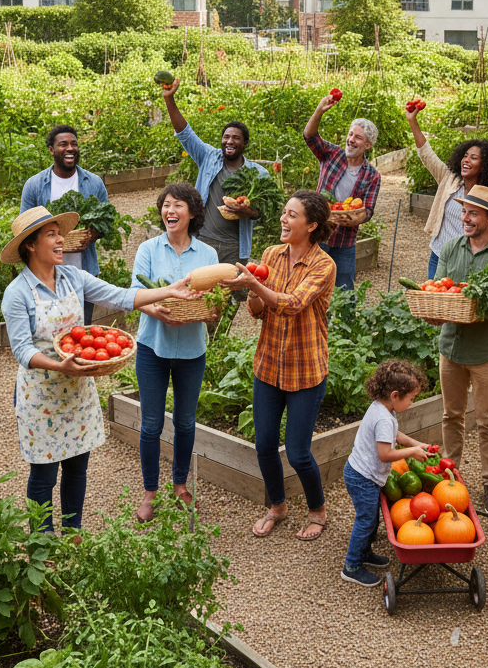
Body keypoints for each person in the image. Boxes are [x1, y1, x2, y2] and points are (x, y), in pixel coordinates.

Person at [0, 206, 198, 533]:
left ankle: (73, 532)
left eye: (59, 233)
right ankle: (43, 542)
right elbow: (22, 350)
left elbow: (119, 297)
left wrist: (170, 291)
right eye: (52, 235)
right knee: (44, 476)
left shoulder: (73, 277)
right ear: (31, 246)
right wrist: (59, 364)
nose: (61, 240)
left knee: (77, 468)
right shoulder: (17, 293)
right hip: (42, 397)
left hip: (77, 391)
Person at [231, 190, 337, 540]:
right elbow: (257, 312)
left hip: (305, 369)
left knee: (298, 452)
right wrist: (252, 291)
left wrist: (255, 284)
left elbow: (293, 304)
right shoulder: (271, 255)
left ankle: (317, 509)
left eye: (292, 215)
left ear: (312, 225)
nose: (283, 219)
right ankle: (277, 506)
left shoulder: (324, 265)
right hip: (269, 364)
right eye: (284, 213)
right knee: (263, 444)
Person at [130, 183, 218, 522]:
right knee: (151, 425)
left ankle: (180, 483)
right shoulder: (148, 249)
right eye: (166, 205)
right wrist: (159, 310)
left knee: (185, 421)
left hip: (192, 350)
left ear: (192, 213)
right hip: (153, 346)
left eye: (178, 205)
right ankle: (149, 491)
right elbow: (138, 296)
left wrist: (209, 311)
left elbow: (214, 303)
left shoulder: (207, 255)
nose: (170, 211)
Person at [433, 185, 488, 515]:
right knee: (451, 415)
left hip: (486, 352)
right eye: (464, 210)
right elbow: (439, 291)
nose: (464, 217)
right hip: (451, 347)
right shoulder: (452, 247)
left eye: (472, 212)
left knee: (487, 420)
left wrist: (464, 307)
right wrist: (436, 312)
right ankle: (450, 474)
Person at [159, 78, 269, 268]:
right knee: (199, 291)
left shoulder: (257, 173)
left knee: (229, 294)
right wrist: (169, 99)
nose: (229, 141)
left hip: (234, 246)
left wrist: (248, 211)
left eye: (236, 138)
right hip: (202, 240)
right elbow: (185, 133)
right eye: (226, 137)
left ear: (245, 143)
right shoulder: (208, 157)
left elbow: (264, 212)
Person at [341, 360, 429, 587]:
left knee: (372, 518)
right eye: (411, 398)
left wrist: (416, 443)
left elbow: (395, 435)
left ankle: (365, 552)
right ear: (396, 395)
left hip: (363, 474)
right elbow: (385, 454)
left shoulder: (382, 408)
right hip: (363, 477)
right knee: (366, 520)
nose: (412, 403)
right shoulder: (382, 418)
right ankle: (351, 566)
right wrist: (412, 452)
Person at [405, 102, 488, 279]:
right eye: (465, 156)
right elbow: (426, 154)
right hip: (439, 255)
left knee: (460, 305)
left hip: (468, 261)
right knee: (435, 303)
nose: (466, 160)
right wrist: (412, 121)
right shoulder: (449, 180)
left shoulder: (487, 195)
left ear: (485, 166)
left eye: (474, 158)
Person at [20, 124, 110, 326]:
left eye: (74, 144)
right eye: (63, 144)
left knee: (80, 333)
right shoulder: (34, 185)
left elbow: (107, 222)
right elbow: (25, 229)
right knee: (47, 332)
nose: (70, 148)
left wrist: (90, 235)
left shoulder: (94, 183)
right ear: (51, 150)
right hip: (45, 275)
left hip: (83, 274)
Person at [303, 92, 382, 290]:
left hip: (345, 241)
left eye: (358, 137)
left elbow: (368, 211)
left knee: (345, 292)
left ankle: (341, 322)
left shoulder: (372, 175)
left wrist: (355, 219)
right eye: (350, 134)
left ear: (367, 145)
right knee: (312, 287)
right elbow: (310, 136)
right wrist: (319, 110)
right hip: (318, 234)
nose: (351, 140)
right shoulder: (332, 154)